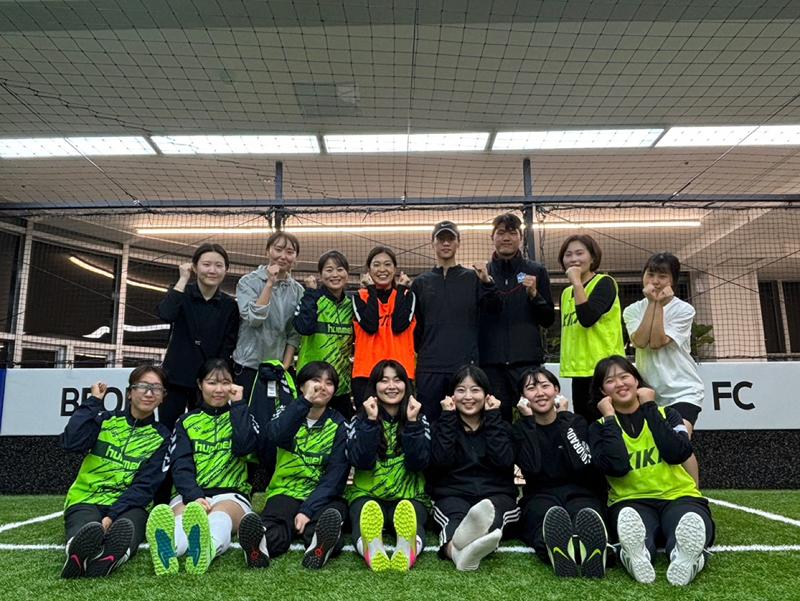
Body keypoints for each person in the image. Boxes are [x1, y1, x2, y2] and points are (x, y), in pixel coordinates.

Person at [588, 356, 715, 586]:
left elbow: (677, 453)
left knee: (687, 522)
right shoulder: (598, 428)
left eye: (625, 376)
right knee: (636, 533)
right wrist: (609, 417)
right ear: (602, 390)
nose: (620, 384)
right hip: (631, 501)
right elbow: (617, 466)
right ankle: (636, 556)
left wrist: (649, 407)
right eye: (610, 380)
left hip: (678, 496)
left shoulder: (669, 414)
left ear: (637, 381)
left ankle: (685, 557)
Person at [145, 359, 258, 575]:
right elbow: (180, 465)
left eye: (225, 383)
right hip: (190, 495)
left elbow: (245, 448)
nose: (218, 389)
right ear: (199, 384)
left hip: (231, 494)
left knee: (219, 516)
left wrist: (239, 405)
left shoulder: (243, 415)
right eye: (212, 382)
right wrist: (194, 496)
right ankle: (170, 550)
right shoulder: (185, 421)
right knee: (182, 517)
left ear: (234, 385)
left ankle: (207, 550)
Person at [59, 365, 171, 579]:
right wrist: (93, 403)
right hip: (87, 497)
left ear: (163, 397)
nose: (148, 393)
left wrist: (111, 515)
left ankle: (111, 558)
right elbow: (70, 442)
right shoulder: (105, 420)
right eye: (142, 387)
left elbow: (145, 487)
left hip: (131, 504)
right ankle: (75, 554)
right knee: (87, 528)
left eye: (156, 388)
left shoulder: (163, 438)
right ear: (129, 392)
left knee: (128, 525)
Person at [237, 361, 350, 570]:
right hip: (285, 490)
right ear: (301, 386)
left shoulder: (340, 424)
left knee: (328, 517)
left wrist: (307, 509)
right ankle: (258, 546)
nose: (321, 387)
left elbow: (335, 477)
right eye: (315, 380)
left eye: (328, 383)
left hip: (322, 494)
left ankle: (319, 545)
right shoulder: (287, 413)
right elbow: (275, 436)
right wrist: (305, 402)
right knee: (276, 524)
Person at [512, 367, 608, 578]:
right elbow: (532, 466)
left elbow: (580, 462)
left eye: (545, 386)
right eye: (531, 388)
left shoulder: (575, 422)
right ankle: (560, 551)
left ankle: (591, 550)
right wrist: (528, 422)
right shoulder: (520, 430)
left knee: (585, 514)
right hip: (539, 493)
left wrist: (564, 418)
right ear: (523, 398)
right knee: (545, 519)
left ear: (557, 391)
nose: (539, 393)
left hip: (579, 491)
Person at [428, 365, 519, 572]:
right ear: (452, 396)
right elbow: (441, 461)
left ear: (487, 395)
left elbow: (503, 461)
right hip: (452, 494)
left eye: (475, 390)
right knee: (453, 520)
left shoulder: (501, 426)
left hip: (497, 494)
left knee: (492, 516)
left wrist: (494, 416)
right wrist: (448, 418)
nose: (468, 397)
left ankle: (467, 548)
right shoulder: (441, 425)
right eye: (461, 390)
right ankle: (457, 553)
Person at [623, 252, 703, 485]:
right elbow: (640, 341)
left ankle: (694, 498)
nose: (655, 281)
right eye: (650, 274)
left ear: (672, 282)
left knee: (677, 441)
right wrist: (652, 303)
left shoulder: (684, 310)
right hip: (649, 392)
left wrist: (656, 303)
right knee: (655, 445)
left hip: (682, 389)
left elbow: (657, 341)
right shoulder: (632, 310)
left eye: (662, 276)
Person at [411, 221, 503, 422]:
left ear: (458, 243)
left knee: (467, 422)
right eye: (441, 239)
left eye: (450, 239)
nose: (446, 243)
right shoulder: (420, 283)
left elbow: (496, 308)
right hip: (430, 366)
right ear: (432, 243)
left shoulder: (473, 278)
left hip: (464, 365)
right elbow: (415, 327)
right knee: (430, 422)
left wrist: (487, 282)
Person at [346, 360, 430, 572]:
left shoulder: (420, 419)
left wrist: (411, 423)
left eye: (397, 380)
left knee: (413, 519)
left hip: (409, 495)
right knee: (361, 517)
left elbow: (419, 463)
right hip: (367, 494)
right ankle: (371, 548)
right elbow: (361, 461)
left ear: (406, 385)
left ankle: (407, 547)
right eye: (384, 381)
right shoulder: (359, 421)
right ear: (374, 386)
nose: (391, 386)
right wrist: (372, 422)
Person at [480, 214, 555, 421]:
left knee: (534, 418)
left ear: (521, 237)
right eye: (501, 232)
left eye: (513, 233)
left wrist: (534, 296)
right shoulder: (481, 274)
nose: (507, 237)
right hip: (491, 365)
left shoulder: (536, 271)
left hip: (527, 362)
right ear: (492, 236)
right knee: (496, 420)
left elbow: (548, 319)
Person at [156, 243, 239, 430]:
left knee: (204, 433)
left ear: (226, 270)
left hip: (208, 384)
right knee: (167, 431)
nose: (212, 270)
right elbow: (165, 314)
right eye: (206, 264)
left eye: (219, 265)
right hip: (174, 378)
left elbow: (228, 346)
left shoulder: (229, 305)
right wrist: (182, 280)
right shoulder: (180, 293)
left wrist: (216, 380)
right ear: (194, 267)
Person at [558, 234, 624, 422]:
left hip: (605, 372)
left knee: (607, 427)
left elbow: (587, 317)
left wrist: (577, 281)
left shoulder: (604, 283)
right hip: (580, 372)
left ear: (592, 257)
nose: (573, 259)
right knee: (584, 428)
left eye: (580, 253)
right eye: (568, 255)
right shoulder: (566, 293)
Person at [232, 232, 305, 403]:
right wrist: (269, 284)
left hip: (277, 368)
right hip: (248, 366)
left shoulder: (298, 290)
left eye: (289, 252)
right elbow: (254, 319)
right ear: (267, 251)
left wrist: (284, 367)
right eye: (278, 249)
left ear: (295, 257)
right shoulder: (247, 282)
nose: (283, 256)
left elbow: (294, 334)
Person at [293, 250, 355, 419]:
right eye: (329, 270)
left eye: (340, 269)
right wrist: (310, 293)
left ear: (347, 275)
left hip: (340, 387)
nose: (335, 274)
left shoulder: (352, 305)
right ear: (320, 275)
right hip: (312, 385)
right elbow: (303, 327)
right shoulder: (313, 299)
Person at [351, 246, 416, 406]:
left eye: (387, 265)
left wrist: (401, 289)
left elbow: (399, 325)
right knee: (367, 423)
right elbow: (371, 325)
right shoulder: (359, 297)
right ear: (369, 270)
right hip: (366, 374)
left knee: (401, 425)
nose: (382, 269)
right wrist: (371, 290)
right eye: (376, 264)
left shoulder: (407, 296)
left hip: (401, 374)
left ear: (395, 269)